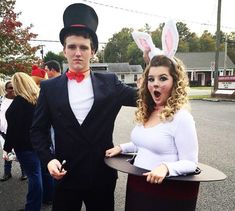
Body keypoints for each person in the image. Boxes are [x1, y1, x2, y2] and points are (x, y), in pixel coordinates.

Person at [30, 3, 137, 211]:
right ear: (64, 50)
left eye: (83, 47)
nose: (77, 53)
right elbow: (37, 130)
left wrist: (160, 68)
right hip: (65, 174)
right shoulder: (49, 88)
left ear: (93, 51)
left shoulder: (110, 83)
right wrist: (48, 160)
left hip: (101, 176)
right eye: (72, 47)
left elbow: (145, 100)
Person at [106, 54, 199, 211]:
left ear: (175, 82)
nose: (155, 84)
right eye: (151, 79)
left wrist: (166, 168)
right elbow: (145, 144)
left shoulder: (182, 118)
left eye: (163, 78)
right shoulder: (148, 112)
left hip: (165, 191)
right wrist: (122, 148)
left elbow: (191, 163)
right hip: (138, 186)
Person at [3, 72, 42, 211]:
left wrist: (6, 149)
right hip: (41, 143)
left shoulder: (17, 105)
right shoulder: (39, 100)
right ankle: (48, 197)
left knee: (34, 176)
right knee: (42, 173)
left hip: (25, 146)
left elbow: (12, 131)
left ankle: (32, 207)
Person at [0, 81, 27, 181]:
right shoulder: (1, 100)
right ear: (6, 89)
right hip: (4, 132)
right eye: (10, 88)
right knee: (7, 152)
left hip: (17, 132)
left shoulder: (21, 100)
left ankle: (24, 172)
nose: (13, 90)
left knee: (20, 152)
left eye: (14, 88)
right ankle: (7, 173)